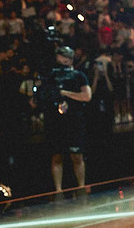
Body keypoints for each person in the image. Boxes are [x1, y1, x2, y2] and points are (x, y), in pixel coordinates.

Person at [37, 46, 92, 196]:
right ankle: (58, 190)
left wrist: (64, 93)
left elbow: (86, 96)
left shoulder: (79, 76)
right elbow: (43, 95)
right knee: (56, 156)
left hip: (74, 120)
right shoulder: (51, 76)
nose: (64, 61)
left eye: (67, 57)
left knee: (77, 155)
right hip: (55, 121)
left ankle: (81, 187)